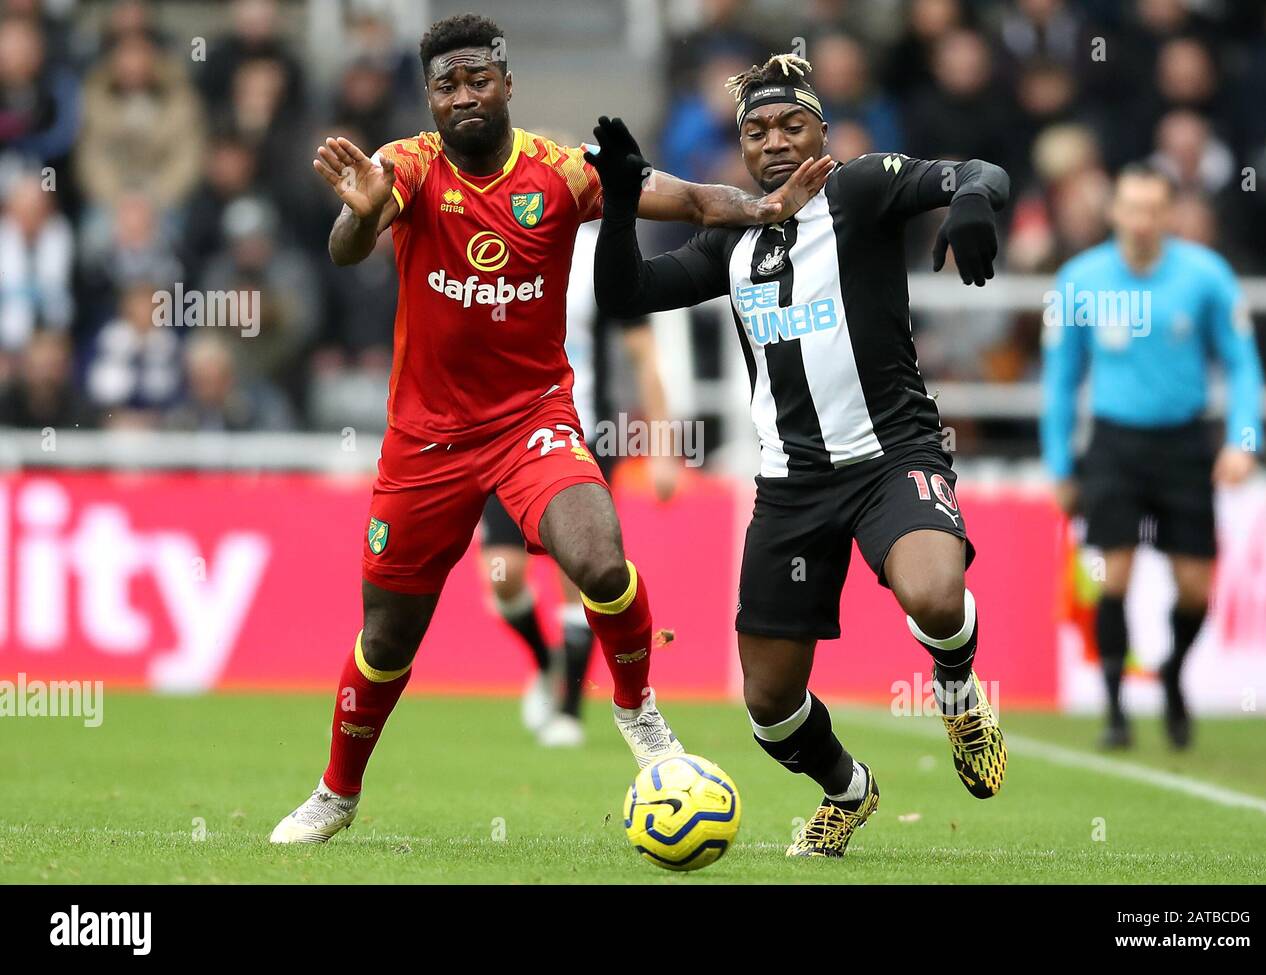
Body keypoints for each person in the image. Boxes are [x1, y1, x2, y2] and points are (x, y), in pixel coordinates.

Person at [270, 15, 829, 844]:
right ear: (430, 96)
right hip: (424, 440)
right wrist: (358, 216)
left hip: (533, 420)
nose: (462, 96)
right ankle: (338, 791)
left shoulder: (560, 175)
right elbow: (350, 244)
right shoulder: (407, 167)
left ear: (505, 81)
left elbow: (689, 198)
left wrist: (763, 205)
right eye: (444, 85)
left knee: (602, 559)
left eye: (476, 80)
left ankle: (639, 715)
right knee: (386, 635)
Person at [592, 53, 1009, 858]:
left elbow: (977, 170)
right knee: (771, 708)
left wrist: (972, 205)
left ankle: (957, 690)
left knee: (932, 592)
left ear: (823, 129)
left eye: (792, 124)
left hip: (893, 455)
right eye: (757, 130)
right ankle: (848, 790)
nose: (775, 141)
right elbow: (624, 295)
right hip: (791, 484)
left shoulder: (860, 189)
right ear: (741, 147)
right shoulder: (731, 234)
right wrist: (616, 207)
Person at [1041, 163, 1264, 750]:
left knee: (1195, 587)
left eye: (1153, 209)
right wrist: (1059, 462)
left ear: (1169, 213)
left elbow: (1242, 364)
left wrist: (1244, 441)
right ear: (1115, 211)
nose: (1141, 220)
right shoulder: (1079, 281)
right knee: (1112, 573)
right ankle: (1115, 708)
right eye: (1131, 208)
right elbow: (1061, 379)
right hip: (1114, 442)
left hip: (1184, 442)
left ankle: (1172, 672)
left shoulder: (1206, 276)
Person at [481, 219, 680, 749]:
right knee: (502, 576)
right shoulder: (490, 252)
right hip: (500, 436)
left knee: (579, 569)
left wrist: (662, 449)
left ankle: (568, 707)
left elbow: (643, 354)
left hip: (579, 431)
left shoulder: (598, 257)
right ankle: (548, 665)